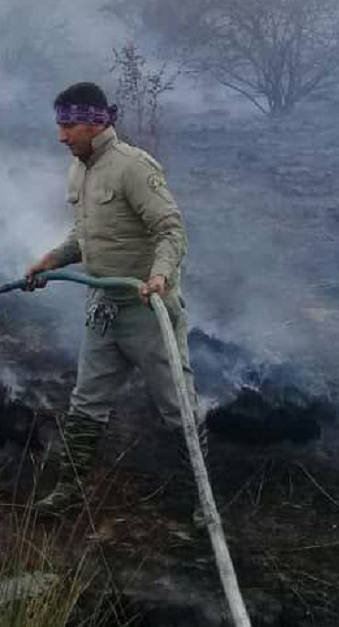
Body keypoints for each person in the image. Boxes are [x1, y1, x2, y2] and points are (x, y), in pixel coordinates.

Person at [24, 82, 206, 525]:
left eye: (69, 125)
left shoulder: (133, 168)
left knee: (176, 405)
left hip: (149, 312)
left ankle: (203, 498)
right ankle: (69, 491)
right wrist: (51, 260)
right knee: (86, 402)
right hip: (103, 308)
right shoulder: (79, 170)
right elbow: (84, 236)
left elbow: (171, 231)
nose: (61, 136)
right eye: (60, 125)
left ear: (96, 122)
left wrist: (159, 277)